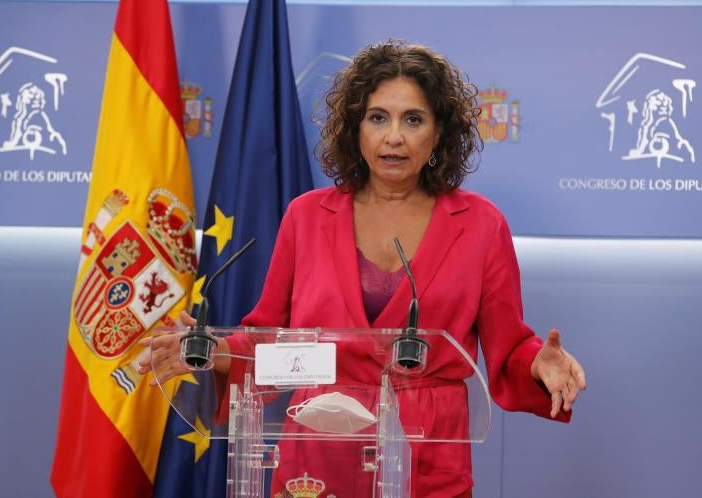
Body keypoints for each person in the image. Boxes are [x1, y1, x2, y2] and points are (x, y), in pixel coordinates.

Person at [140, 40, 586, 497]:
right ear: (355, 128)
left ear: (438, 133)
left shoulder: (481, 225)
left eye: (413, 119)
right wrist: (214, 352)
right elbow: (269, 339)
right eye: (377, 118)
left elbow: (509, 347)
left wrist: (537, 363)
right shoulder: (306, 217)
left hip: (427, 455)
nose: (393, 136)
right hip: (316, 453)